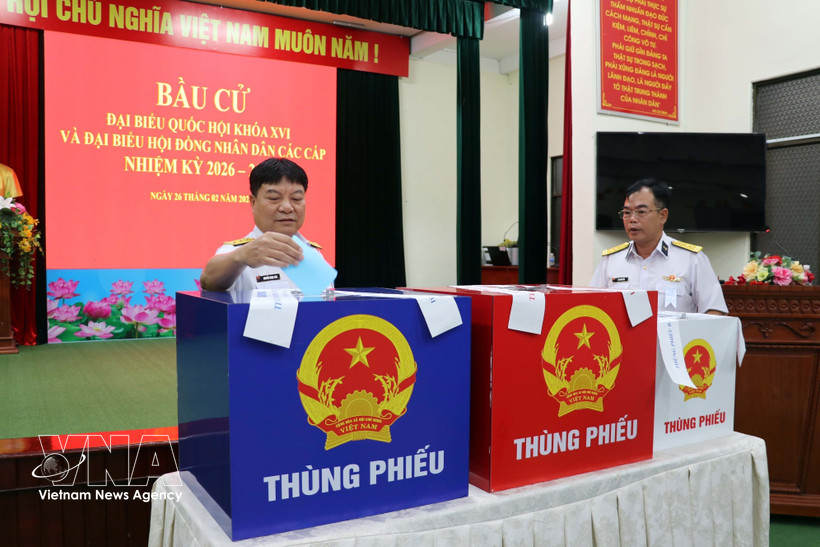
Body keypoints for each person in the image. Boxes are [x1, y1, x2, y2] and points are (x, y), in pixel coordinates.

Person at [589, 178, 727, 315]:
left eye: (641, 212)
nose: (632, 219)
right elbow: (591, 307)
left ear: (662, 215)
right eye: (627, 212)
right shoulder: (611, 260)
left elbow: (715, 309)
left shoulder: (691, 259)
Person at [200, 157, 326, 292]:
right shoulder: (239, 252)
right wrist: (240, 257)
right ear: (253, 202)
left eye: (296, 199)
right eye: (274, 199)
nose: (287, 207)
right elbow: (208, 280)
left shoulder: (314, 253)